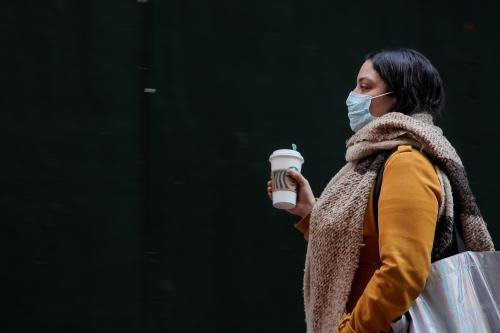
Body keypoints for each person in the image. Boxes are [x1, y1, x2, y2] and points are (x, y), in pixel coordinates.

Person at [266, 48, 495, 333]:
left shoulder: (406, 164)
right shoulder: (373, 159)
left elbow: (403, 272)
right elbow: (359, 250)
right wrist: (309, 213)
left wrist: (351, 329)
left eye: (365, 86)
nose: (353, 96)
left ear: (398, 96)